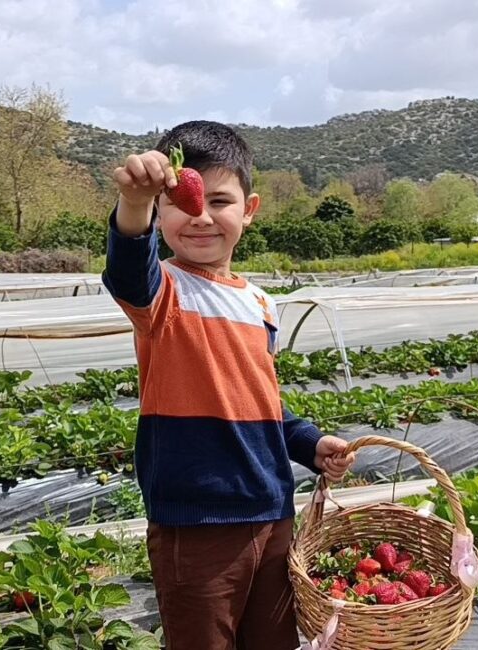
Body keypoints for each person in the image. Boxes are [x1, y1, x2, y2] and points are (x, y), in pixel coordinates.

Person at [102, 120, 356, 650]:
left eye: (220, 201)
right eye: (179, 201)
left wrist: (311, 444)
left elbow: (262, 402)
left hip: (272, 511)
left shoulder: (262, 304)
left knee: (274, 640)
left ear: (249, 209)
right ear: (159, 211)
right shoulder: (163, 291)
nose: (200, 215)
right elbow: (129, 269)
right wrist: (133, 203)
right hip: (199, 522)